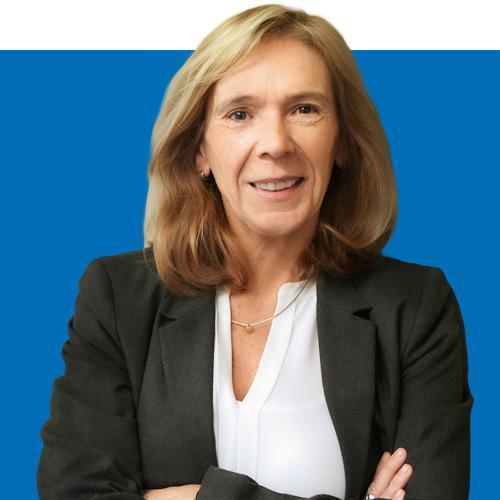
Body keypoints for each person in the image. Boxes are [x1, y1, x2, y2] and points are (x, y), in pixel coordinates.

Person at [37, 4, 473, 500]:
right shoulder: (117, 298)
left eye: (304, 109)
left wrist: (196, 496)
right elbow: (74, 491)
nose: (275, 143)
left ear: (343, 142)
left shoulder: (415, 307)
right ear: (200, 151)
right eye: (240, 114)